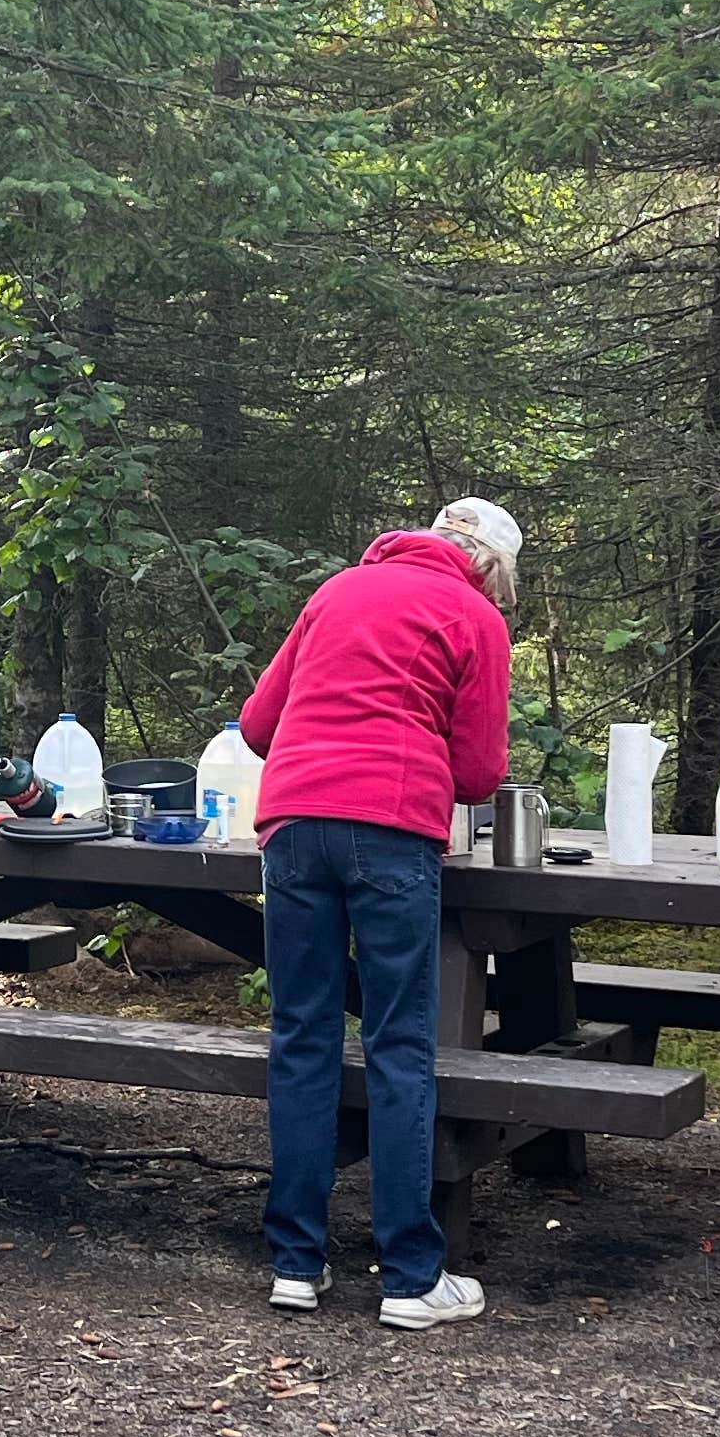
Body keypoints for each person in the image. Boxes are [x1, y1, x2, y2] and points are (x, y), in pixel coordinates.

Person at [237, 496, 519, 1325]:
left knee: (303, 1036)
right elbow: (476, 773)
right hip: (392, 831)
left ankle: (295, 1262)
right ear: (491, 567)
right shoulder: (474, 616)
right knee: (399, 1044)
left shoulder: (336, 592)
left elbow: (258, 725)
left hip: (292, 827)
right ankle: (409, 1277)